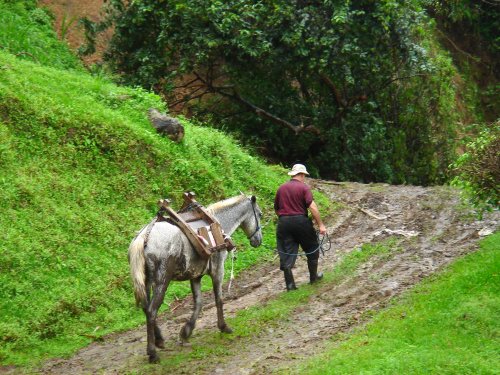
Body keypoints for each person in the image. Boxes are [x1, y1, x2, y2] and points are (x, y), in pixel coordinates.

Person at [274, 164, 327, 291]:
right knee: (312, 247)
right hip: (301, 221)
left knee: (286, 252)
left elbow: (276, 209)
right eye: (304, 176)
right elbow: (312, 207)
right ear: (302, 175)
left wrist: (286, 219)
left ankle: (290, 285)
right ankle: (313, 278)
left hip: (283, 223)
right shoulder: (304, 188)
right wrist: (321, 224)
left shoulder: (281, 188)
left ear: (293, 174)